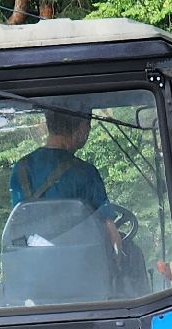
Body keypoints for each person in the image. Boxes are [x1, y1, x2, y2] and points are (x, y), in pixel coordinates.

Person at [10, 106, 122, 256]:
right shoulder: (85, 172)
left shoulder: (21, 168)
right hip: (80, 270)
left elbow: (17, 224)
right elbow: (110, 232)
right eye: (88, 125)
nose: (88, 131)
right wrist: (119, 263)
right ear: (81, 127)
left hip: (32, 271)